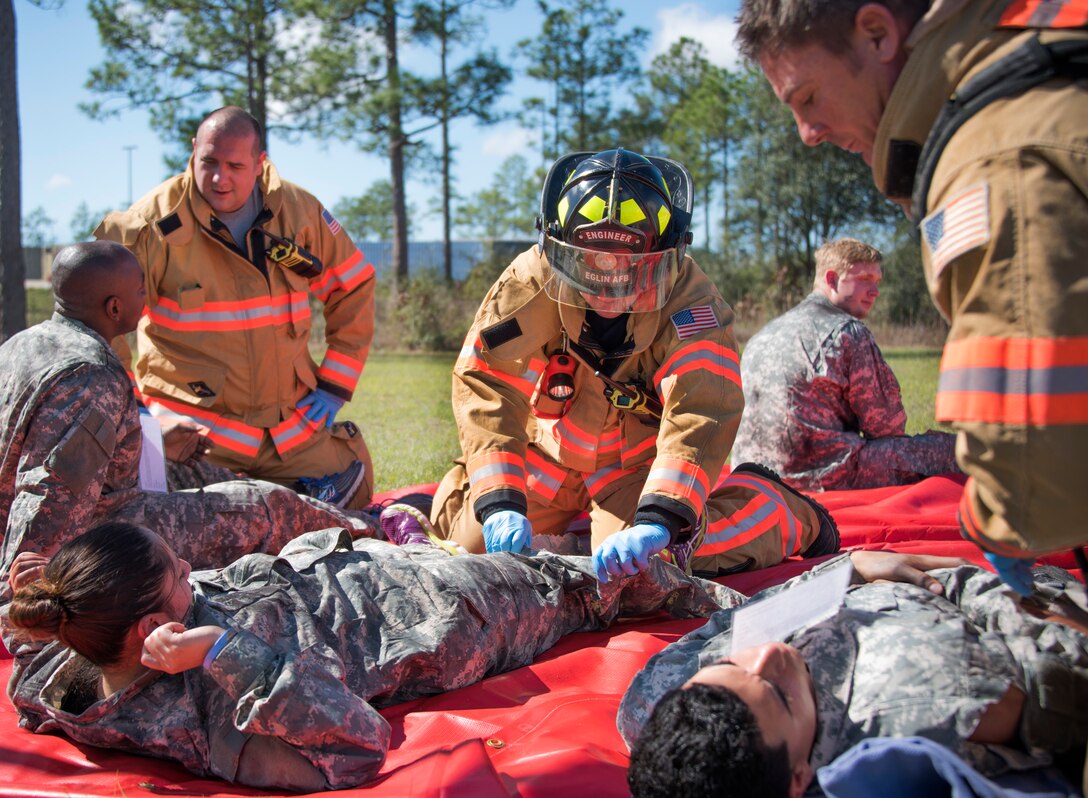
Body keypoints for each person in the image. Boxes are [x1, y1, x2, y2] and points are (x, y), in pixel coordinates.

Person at [734, 0, 1088, 594]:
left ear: (877, 35)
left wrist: (996, 523)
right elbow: (895, 427)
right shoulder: (1032, 93)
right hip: (837, 474)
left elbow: (1033, 463)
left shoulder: (998, 153)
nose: (809, 134)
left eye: (809, 98)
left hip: (770, 480)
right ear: (831, 282)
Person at [3, 519, 732, 791]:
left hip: (352, 567)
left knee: (555, 548)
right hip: (430, 618)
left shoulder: (52, 660)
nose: (191, 577)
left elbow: (32, 651)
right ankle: (719, 587)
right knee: (582, 584)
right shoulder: (207, 714)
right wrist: (226, 653)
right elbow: (355, 747)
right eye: (177, 577)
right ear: (148, 631)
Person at [410, 148, 838, 579]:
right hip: (550, 454)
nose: (609, 289)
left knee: (650, 570)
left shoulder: (694, 304)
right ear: (560, 248)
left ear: (667, 251)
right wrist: (499, 500)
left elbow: (702, 408)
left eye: (632, 270)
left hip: (634, 467)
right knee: (467, 549)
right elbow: (488, 383)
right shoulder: (531, 279)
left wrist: (661, 518)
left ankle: (780, 509)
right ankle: (470, 490)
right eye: (589, 266)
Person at [0, 241, 376, 601]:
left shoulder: (24, 343)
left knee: (210, 476)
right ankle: (371, 528)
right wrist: (29, 591)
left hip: (107, 497)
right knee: (260, 508)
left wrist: (155, 440)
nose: (146, 297)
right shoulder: (89, 375)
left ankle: (319, 504)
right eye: (140, 290)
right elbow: (49, 492)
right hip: (97, 533)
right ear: (114, 308)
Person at [620, 551, 1088, 797]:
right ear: (799, 778)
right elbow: (1059, 673)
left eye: (731, 664)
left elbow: (730, 624)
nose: (767, 654)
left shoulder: (652, 703)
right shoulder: (928, 707)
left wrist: (849, 569)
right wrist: (1010, 593)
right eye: (780, 695)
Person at [95, 105, 377, 510]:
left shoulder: (298, 211)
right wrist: (140, 419)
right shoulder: (150, 225)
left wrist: (334, 385)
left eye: (234, 165)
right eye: (208, 161)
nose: (218, 177)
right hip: (196, 438)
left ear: (260, 163)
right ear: (193, 150)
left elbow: (353, 283)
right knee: (156, 521)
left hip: (291, 431)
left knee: (356, 490)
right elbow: (103, 320)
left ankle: (278, 502)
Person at [733, 237, 958, 491]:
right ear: (831, 280)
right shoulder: (847, 331)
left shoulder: (762, 334)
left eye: (877, 281)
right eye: (865, 280)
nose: (875, 291)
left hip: (751, 475)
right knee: (955, 450)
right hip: (818, 477)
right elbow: (887, 426)